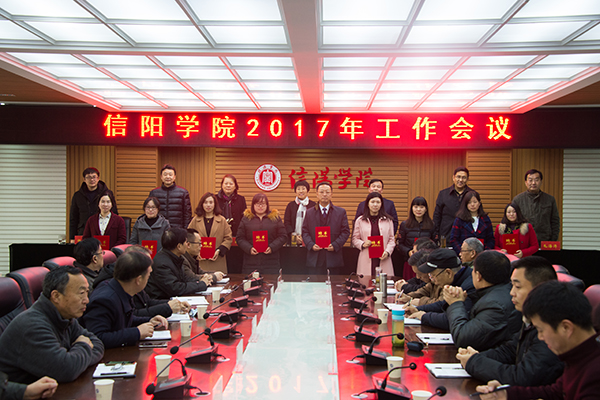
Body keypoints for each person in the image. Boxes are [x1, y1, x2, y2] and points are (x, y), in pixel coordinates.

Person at [476, 281, 600, 400]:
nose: (540, 337)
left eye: (541, 330)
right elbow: (555, 392)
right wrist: (506, 394)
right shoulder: (578, 356)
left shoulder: (594, 374)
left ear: (566, 327)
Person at [458, 256, 562, 386]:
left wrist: (475, 363)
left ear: (540, 289)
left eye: (517, 287)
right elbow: (510, 350)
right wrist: (476, 357)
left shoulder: (551, 328)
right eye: (512, 286)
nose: (512, 292)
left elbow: (523, 377)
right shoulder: (530, 318)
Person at [0, 266, 104, 383]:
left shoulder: (65, 316)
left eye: (87, 292)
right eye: (81, 293)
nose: (86, 300)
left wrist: (75, 359)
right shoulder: (32, 326)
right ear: (56, 296)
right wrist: (82, 345)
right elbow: (66, 370)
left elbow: (98, 345)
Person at [81, 251, 169, 349]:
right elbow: (98, 337)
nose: (149, 279)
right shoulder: (104, 300)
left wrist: (149, 321)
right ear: (138, 280)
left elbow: (123, 319)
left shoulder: (121, 289)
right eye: (148, 276)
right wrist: (136, 333)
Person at [443, 251, 522, 351]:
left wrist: (456, 304)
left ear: (478, 276)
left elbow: (463, 338)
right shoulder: (497, 293)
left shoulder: (494, 305)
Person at [93, 246, 189, 318]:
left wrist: (173, 303)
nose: (151, 270)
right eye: (147, 265)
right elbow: (133, 314)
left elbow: (147, 302)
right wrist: (167, 308)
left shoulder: (131, 278)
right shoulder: (118, 287)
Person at [405, 248, 475, 330]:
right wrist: (417, 309)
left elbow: (453, 319)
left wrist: (424, 316)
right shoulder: (457, 279)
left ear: (448, 273)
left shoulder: (469, 287)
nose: (432, 280)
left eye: (433, 275)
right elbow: (442, 304)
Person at [145, 228, 211, 299]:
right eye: (186, 242)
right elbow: (175, 288)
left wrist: (202, 279)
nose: (187, 245)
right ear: (179, 246)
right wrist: (201, 284)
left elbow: (185, 278)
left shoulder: (177, 258)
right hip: (161, 301)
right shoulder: (162, 264)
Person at [302, 182, 350, 275]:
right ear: (317, 194)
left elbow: (345, 232)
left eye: (327, 192)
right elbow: (305, 231)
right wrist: (311, 245)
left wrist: (335, 245)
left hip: (333, 257)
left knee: (333, 283)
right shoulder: (309, 212)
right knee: (314, 283)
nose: (324, 194)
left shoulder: (340, 212)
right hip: (315, 258)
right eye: (321, 192)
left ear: (331, 194)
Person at [236, 193, 287, 275]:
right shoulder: (246, 219)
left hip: (271, 262)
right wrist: (249, 248)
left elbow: (283, 236)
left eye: (263, 204)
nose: (260, 206)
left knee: (270, 282)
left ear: (267, 205)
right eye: (257, 204)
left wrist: (272, 247)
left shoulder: (275, 218)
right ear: (253, 205)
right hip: (251, 262)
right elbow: (240, 238)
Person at [351, 192, 396, 277]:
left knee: (383, 283)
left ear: (381, 204)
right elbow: (355, 239)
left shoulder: (388, 220)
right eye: (372, 202)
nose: (375, 205)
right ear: (368, 204)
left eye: (378, 202)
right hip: (366, 257)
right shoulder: (360, 220)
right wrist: (362, 244)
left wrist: (387, 252)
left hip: (383, 257)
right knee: (365, 282)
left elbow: (391, 239)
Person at [187, 192, 232, 273]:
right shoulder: (195, 220)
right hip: (200, 261)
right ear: (202, 204)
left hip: (217, 261)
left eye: (211, 202)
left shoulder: (222, 220)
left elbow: (228, 238)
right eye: (205, 202)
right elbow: (188, 237)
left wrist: (219, 251)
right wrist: (195, 253)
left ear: (215, 204)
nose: (208, 205)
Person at [69, 167, 118, 241]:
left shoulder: (106, 193)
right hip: (83, 231)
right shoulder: (77, 196)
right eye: (88, 177)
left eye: (94, 177)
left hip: (102, 232)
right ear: (84, 179)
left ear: (98, 178)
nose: (92, 180)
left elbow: (114, 213)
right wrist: (72, 238)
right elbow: (73, 218)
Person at [512, 169, 560, 242]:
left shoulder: (550, 199)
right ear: (526, 182)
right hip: (524, 242)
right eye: (530, 180)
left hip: (544, 241)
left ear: (541, 182)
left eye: (536, 180)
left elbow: (555, 221)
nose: (533, 183)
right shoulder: (517, 200)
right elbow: (512, 221)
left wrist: (553, 240)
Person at [433, 166, 474, 242]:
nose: (460, 180)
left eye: (464, 177)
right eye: (458, 177)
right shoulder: (443, 194)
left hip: (467, 236)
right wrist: (436, 234)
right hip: (446, 235)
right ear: (453, 177)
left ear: (467, 179)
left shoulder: (472, 195)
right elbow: (437, 216)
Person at [397, 196, 435, 279]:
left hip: (426, 262)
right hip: (409, 261)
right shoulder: (405, 225)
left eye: (421, 207)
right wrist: (408, 252)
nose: (418, 210)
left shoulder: (432, 225)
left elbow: (435, 243)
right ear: (412, 208)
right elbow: (400, 244)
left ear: (426, 209)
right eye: (416, 207)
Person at [449, 191, 494, 255]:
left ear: (479, 203)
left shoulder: (486, 219)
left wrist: (485, 253)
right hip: (464, 254)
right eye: (469, 202)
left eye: (475, 202)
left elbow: (490, 239)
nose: (472, 205)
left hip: (482, 255)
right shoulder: (460, 219)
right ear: (466, 204)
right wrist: (462, 252)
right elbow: (454, 239)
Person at [149, 164, 192, 229]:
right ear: (161, 177)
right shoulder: (154, 193)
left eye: (170, 174)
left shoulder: (183, 193)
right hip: (158, 229)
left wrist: (185, 230)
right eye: (165, 174)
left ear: (174, 177)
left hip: (177, 229)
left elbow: (187, 214)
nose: (168, 177)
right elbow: (150, 211)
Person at [284, 180, 316, 246]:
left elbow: (316, 223)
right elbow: (287, 222)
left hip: (310, 241)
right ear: (295, 192)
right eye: (298, 189)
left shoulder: (313, 205)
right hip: (293, 240)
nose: (301, 191)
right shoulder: (291, 205)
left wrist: (306, 238)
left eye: (303, 188)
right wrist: (294, 236)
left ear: (307, 191)